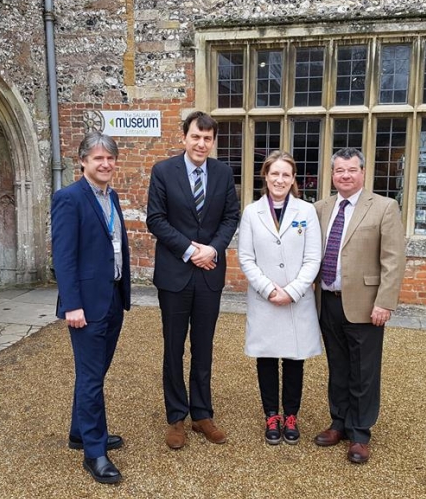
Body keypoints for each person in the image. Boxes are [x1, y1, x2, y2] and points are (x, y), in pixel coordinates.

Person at [146, 111, 240, 449]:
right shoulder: (163, 172)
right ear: (184, 137)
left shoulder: (223, 173)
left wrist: (212, 250)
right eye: (196, 136)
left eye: (207, 138)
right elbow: (155, 219)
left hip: (209, 274)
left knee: (203, 347)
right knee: (174, 348)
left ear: (213, 142)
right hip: (175, 274)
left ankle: (202, 414)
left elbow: (231, 217)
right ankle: (176, 418)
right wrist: (189, 250)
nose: (202, 143)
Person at [313, 146, 406, 464]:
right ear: (332, 174)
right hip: (327, 301)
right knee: (338, 368)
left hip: (366, 305)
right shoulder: (321, 208)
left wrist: (385, 302)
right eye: (339, 170)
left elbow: (393, 259)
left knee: (364, 371)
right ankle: (338, 422)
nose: (345, 175)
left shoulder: (384, 207)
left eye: (351, 170)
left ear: (362, 172)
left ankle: (360, 433)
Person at [51, 131, 131, 484]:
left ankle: (79, 433)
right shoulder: (69, 198)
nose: (105, 163)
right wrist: (72, 305)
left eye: (110, 157)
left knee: (94, 374)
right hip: (85, 305)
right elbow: (64, 257)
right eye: (98, 158)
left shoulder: (110, 196)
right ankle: (95, 453)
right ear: (82, 161)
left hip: (112, 297)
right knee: (90, 377)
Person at [237, 151, 322, 445]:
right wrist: (269, 289)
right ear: (265, 175)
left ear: (293, 179)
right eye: (275, 173)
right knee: (267, 357)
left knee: (295, 358)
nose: (280, 179)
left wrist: (293, 290)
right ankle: (271, 415)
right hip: (265, 299)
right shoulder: (251, 212)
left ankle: (291, 416)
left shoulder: (306, 211)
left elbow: (313, 258)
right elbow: (246, 258)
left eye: (286, 174)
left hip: (296, 299)